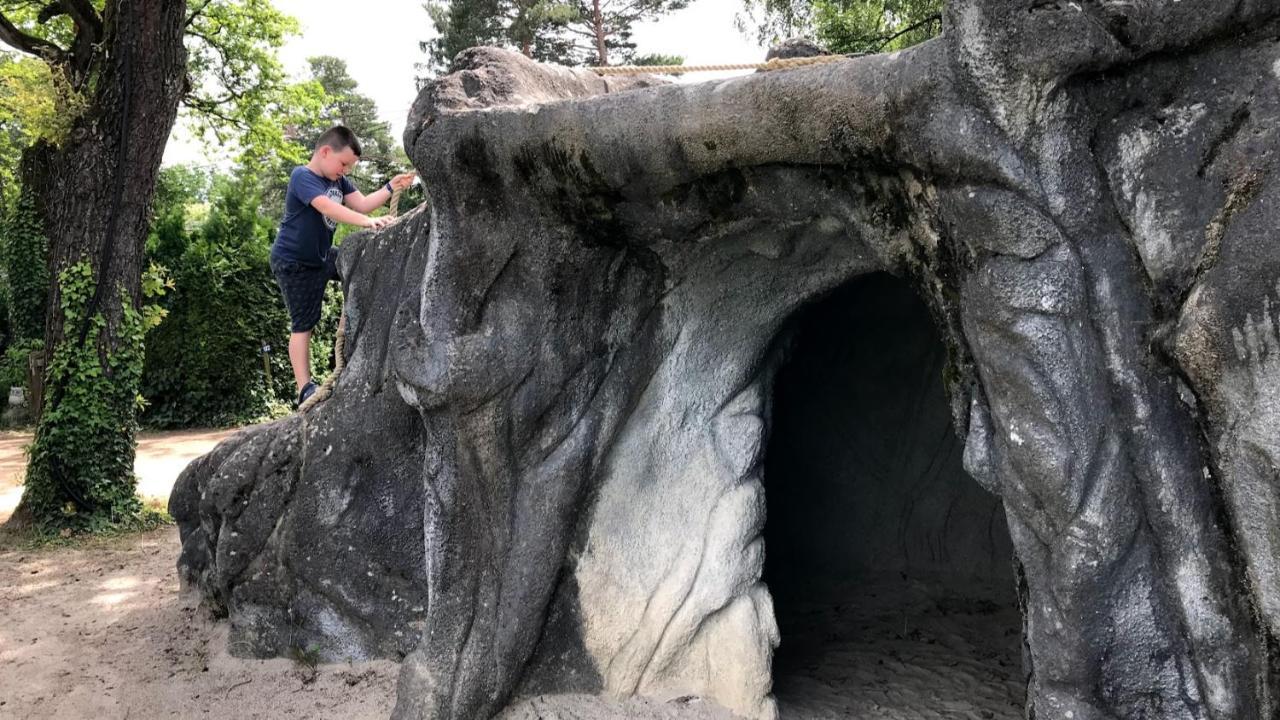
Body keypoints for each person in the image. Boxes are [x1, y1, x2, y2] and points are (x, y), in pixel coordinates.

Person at [270, 125, 415, 406]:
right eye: (343, 163)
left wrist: (390, 187)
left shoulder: (338, 181)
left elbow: (361, 204)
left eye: (349, 166)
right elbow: (326, 207)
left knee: (360, 263)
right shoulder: (303, 176)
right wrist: (368, 223)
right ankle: (304, 389)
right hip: (294, 261)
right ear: (325, 152)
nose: (345, 170)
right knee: (304, 324)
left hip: (323, 256)